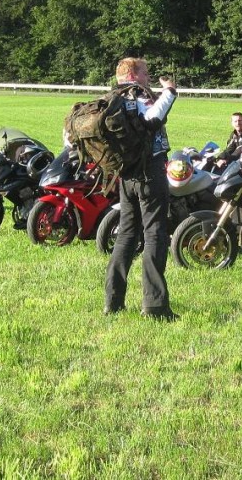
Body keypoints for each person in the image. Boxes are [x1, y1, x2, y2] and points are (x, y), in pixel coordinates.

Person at [104, 57, 179, 321]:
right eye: (145, 73)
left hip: (127, 175)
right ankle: (155, 306)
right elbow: (152, 119)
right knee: (155, 235)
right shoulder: (136, 94)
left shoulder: (114, 98)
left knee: (126, 235)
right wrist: (170, 92)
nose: (148, 77)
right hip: (150, 173)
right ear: (133, 75)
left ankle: (113, 301)